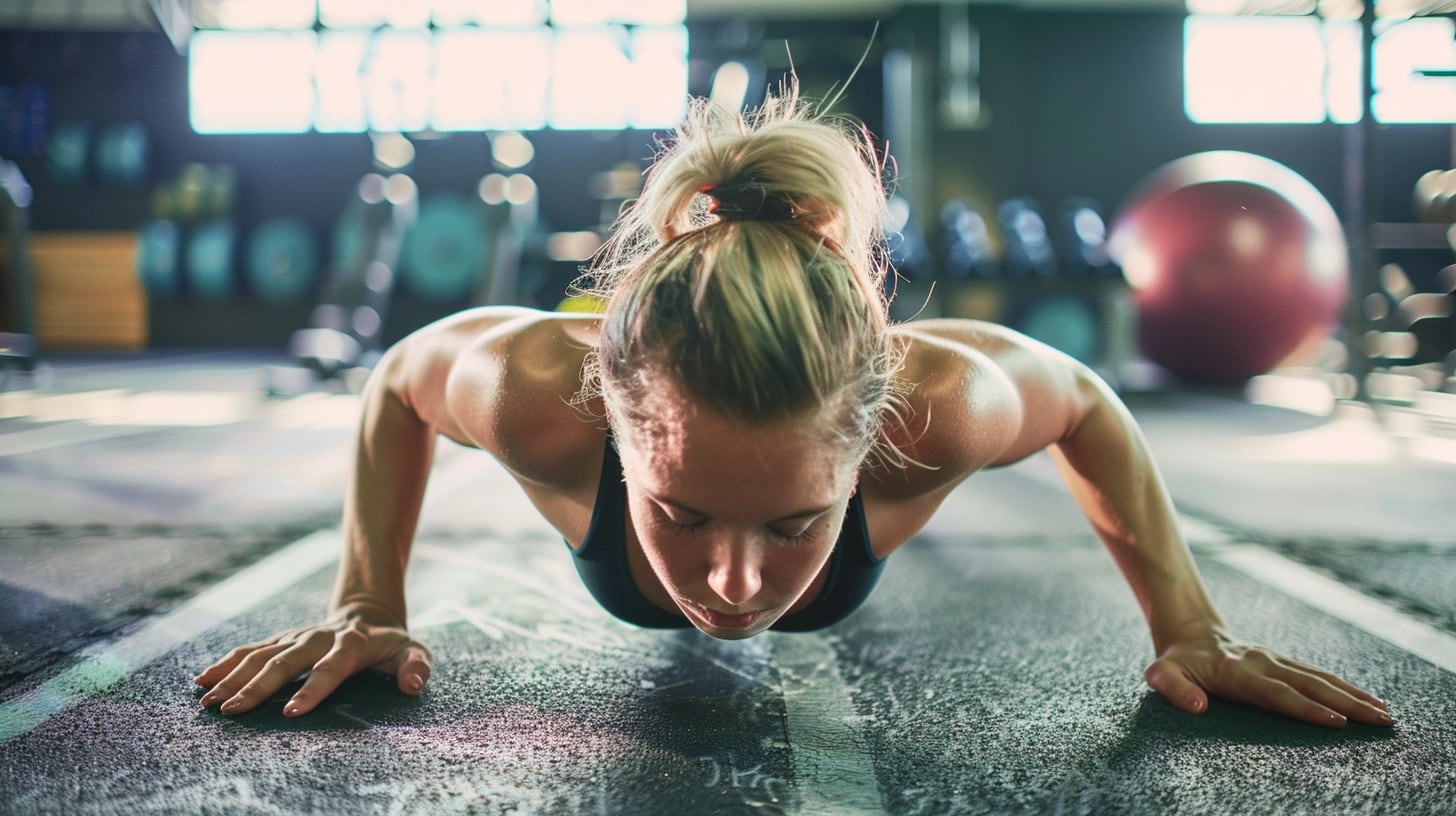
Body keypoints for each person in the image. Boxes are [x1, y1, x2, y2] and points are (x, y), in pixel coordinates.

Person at [195, 84, 1391, 730]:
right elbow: (400, 379)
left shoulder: (941, 404)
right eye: (682, 512)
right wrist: (365, 603)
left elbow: (1081, 399)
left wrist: (1191, 627)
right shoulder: (537, 394)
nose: (730, 584)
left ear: (873, 443)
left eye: (791, 525)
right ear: (608, 421)